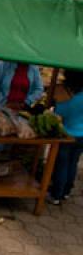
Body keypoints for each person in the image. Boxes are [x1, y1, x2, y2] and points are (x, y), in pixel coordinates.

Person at [48, 69, 83, 205]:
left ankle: (56, 195)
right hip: (82, 136)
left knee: (62, 164)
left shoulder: (66, 96)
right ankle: (66, 192)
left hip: (67, 134)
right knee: (73, 163)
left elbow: (60, 113)